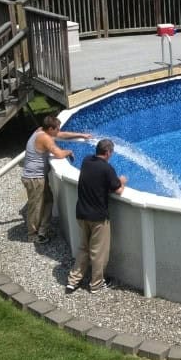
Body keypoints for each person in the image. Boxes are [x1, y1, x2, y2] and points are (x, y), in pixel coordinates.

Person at [66, 138, 127, 294]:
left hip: (81, 212)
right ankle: (96, 284)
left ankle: (73, 281)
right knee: (98, 252)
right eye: (111, 152)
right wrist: (122, 181)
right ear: (107, 153)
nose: (111, 155)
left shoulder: (86, 161)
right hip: (98, 217)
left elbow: (96, 181)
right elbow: (118, 190)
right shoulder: (107, 169)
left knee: (83, 248)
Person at [22, 115, 92, 244]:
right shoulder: (44, 138)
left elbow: (62, 134)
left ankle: (42, 231)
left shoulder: (41, 130)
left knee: (48, 201)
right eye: (56, 129)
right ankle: (32, 235)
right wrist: (69, 152)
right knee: (36, 206)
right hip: (34, 178)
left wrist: (81, 135)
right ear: (50, 128)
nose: (58, 131)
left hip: (37, 177)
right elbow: (59, 154)